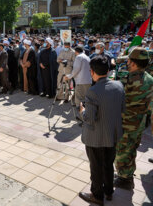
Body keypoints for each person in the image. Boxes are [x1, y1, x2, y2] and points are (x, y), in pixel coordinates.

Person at [79, 55, 125, 205]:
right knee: (108, 163)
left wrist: (82, 110)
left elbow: (89, 118)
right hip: (112, 134)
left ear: (92, 71)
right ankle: (109, 191)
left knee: (96, 167)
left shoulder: (93, 91)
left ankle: (97, 196)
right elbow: (122, 109)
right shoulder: (119, 85)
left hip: (95, 137)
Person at [114, 48, 153, 189]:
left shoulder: (127, 80)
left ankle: (125, 179)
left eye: (129, 61)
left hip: (125, 124)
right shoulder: (149, 78)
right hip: (139, 123)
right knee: (131, 149)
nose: (127, 63)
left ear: (135, 64)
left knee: (123, 151)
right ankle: (128, 172)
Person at [64, 46, 92, 110]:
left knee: (79, 99)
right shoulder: (87, 57)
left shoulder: (79, 57)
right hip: (88, 81)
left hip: (81, 81)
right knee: (86, 97)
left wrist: (69, 76)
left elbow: (76, 69)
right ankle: (86, 112)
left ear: (76, 52)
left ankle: (81, 114)